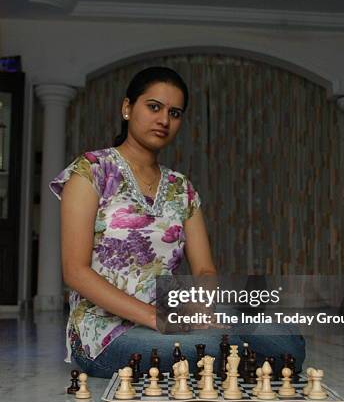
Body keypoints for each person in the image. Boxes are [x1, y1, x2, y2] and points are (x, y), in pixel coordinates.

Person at [49, 66, 305, 378]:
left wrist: (200, 307)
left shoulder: (181, 187)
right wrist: (155, 317)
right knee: (213, 345)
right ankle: (235, 361)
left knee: (285, 339)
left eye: (175, 113)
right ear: (127, 108)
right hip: (104, 331)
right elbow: (75, 272)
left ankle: (233, 359)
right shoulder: (91, 171)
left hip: (174, 313)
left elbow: (204, 270)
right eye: (154, 107)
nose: (164, 120)